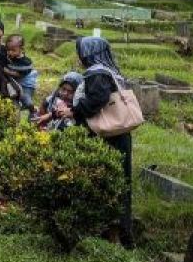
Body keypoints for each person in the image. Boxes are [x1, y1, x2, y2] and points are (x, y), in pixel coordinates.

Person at [52, 37, 135, 248]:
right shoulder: (107, 70)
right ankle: (118, 232)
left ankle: (116, 233)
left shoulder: (97, 73)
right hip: (116, 136)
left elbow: (97, 100)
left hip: (108, 138)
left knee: (108, 181)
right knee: (117, 182)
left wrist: (73, 111)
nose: (79, 56)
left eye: (80, 52)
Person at [0, 34, 38, 111]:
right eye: (8, 50)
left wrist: (6, 71)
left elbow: (18, 74)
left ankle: (32, 108)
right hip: (17, 83)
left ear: (22, 49)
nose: (10, 52)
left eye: (13, 50)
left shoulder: (25, 62)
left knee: (25, 98)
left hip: (27, 85)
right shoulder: (11, 57)